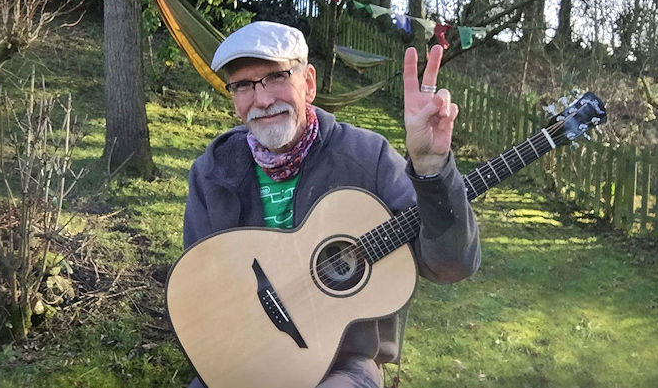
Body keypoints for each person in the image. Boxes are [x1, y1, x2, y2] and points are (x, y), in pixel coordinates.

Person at [180, 21, 481, 388]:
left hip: (344, 363)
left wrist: (433, 169)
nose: (261, 100)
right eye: (243, 85)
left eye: (276, 77)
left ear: (308, 83)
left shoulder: (366, 158)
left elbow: (451, 264)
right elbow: (197, 286)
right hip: (248, 354)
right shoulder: (213, 172)